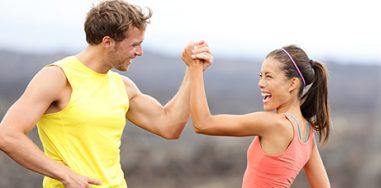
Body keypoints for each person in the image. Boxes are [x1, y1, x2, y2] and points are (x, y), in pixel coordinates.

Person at [0, 1, 211, 187]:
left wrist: (193, 71)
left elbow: (169, 126)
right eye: (135, 45)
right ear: (107, 42)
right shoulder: (58, 77)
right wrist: (65, 174)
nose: (140, 52)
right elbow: (7, 135)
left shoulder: (123, 86)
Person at [184, 43, 331, 187]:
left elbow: (202, 123)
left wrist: (195, 68)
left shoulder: (274, 124)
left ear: (292, 84)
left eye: (268, 76)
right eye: (260, 76)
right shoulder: (308, 134)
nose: (260, 83)